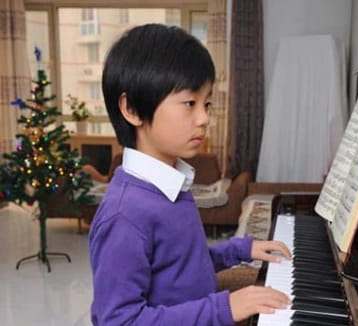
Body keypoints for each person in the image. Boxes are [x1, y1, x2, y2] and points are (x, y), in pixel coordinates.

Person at [89, 24, 291, 325]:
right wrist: (225, 308)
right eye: (189, 104)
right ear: (131, 108)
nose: (204, 118)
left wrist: (240, 249)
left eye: (206, 103)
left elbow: (182, 269)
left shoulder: (171, 186)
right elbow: (119, 321)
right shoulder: (125, 215)